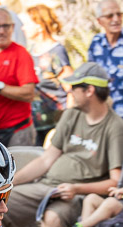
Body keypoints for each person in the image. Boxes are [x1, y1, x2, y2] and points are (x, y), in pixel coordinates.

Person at [1, 62, 123, 227]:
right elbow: (47, 159)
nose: (69, 92)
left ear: (89, 90)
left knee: (53, 219)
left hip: (77, 195)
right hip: (47, 186)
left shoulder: (115, 126)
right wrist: (9, 183)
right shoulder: (71, 115)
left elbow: (114, 181)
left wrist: (77, 188)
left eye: (74, 88)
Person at [0, 7, 38, 146]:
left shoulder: (20, 54)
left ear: (13, 27)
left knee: (19, 167)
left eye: (5, 26)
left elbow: (29, 93)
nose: (1, 31)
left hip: (17, 130)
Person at [25, 3, 72, 139]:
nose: (23, 28)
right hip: (38, 124)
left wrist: (67, 122)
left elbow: (70, 88)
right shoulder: (30, 52)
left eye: (27, 24)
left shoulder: (56, 52)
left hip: (57, 122)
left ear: (39, 26)